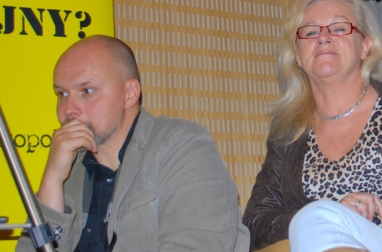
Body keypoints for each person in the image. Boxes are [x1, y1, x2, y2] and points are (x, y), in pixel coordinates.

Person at [242, 0, 382, 252]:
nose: (323, 38)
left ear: (365, 46)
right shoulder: (288, 132)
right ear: (297, 56)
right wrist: (330, 214)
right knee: (314, 217)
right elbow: (255, 223)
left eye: (340, 28)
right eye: (310, 32)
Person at [17, 35, 250, 252]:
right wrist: (52, 179)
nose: (68, 109)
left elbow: (199, 244)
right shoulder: (69, 169)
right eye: (62, 94)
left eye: (87, 91)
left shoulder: (180, 145)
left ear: (130, 93)